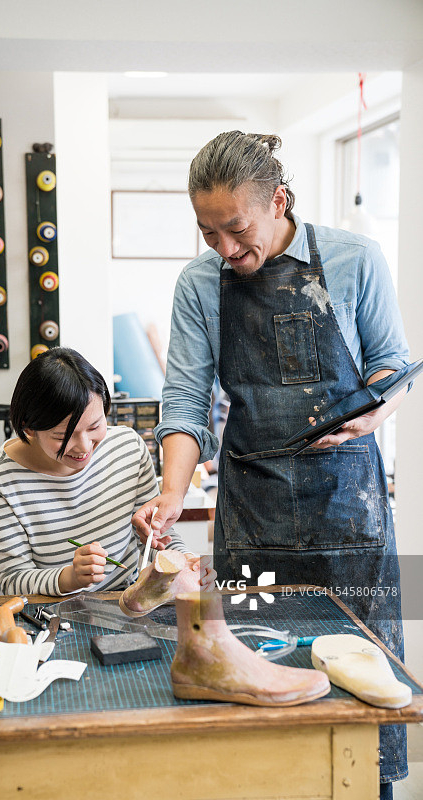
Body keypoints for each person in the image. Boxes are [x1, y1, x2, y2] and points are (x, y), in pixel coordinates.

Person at [132, 132, 410, 795]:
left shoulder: (354, 259)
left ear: (277, 200)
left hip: (349, 515)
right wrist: (172, 491)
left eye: (236, 228)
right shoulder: (200, 285)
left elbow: (394, 367)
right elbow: (186, 399)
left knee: (359, 700)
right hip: (252, 517)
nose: (225, 248)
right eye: (208, 231)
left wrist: (375, 413)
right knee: (255, 691)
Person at [0, 347, 214, 597]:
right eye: (62, 436)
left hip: (126, 602)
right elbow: (14, 580)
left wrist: (184, 560)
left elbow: (155, 534)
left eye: (95, 426)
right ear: (30, 429)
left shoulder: (127, 447)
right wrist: (70, 577)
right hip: (50, 617)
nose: (84, 447)